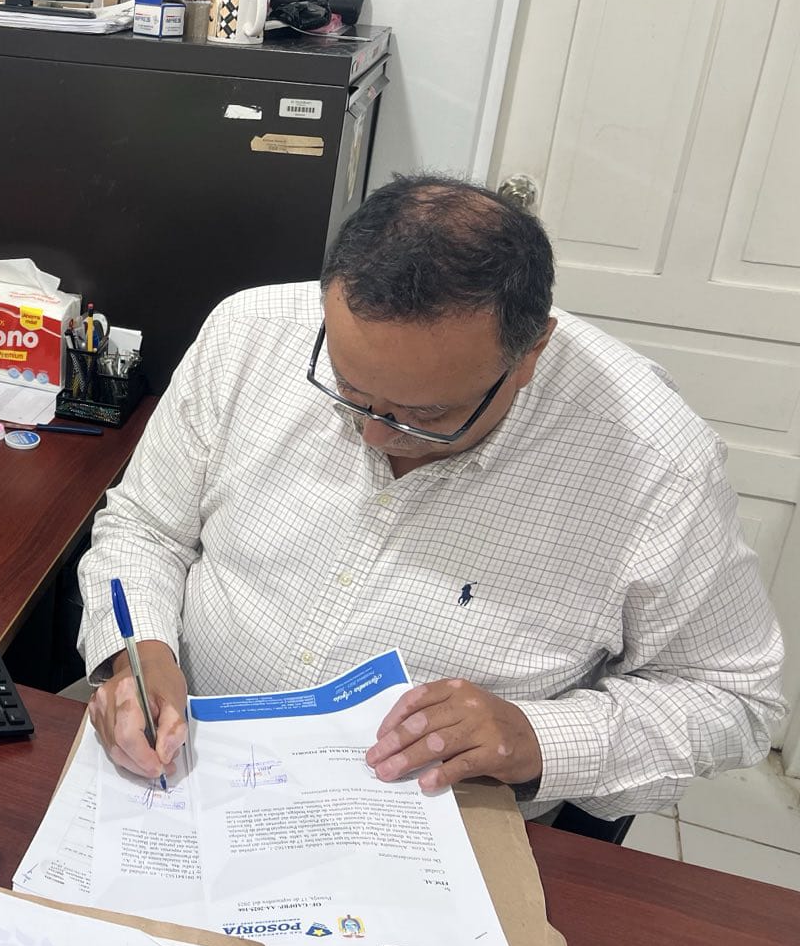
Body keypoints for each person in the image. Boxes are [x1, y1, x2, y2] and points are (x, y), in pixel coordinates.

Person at [80, 175, 784, 820]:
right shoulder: (250, 333)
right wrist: (141, 652)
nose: (374, 436)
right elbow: (145, 528)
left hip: (440, 824)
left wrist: (537, 737)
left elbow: (735, 699)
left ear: (531, 352)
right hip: (195, 770)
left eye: (426, 415)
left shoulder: (658, 462)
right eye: (349, 390)